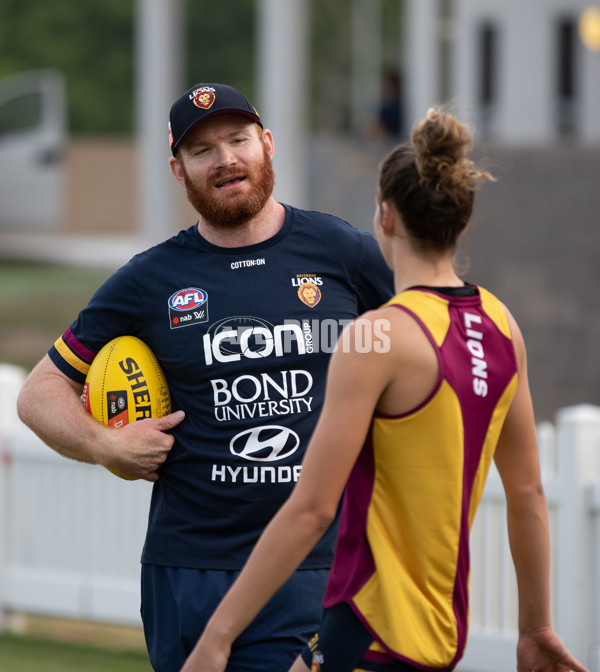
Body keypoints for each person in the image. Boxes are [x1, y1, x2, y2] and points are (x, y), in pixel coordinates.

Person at [180, 107, 589, 672]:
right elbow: (528, 494)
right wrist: (536, 626)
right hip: (442, 634)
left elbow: (312, 509)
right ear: (462, 222)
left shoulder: (378, 336)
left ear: (386, 216)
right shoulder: (501, 323)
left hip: (367, 628)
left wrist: (217, 638)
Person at [16, 83, 394, 672]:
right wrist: (105, 443)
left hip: (318, 563)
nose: (225, 160)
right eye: (202, 150)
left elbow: (425, 348)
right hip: (190, 570)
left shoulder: (344, 252)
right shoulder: (150, 280)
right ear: (178, 170)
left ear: (267, 145)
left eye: (238, 140)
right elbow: (39, 391)